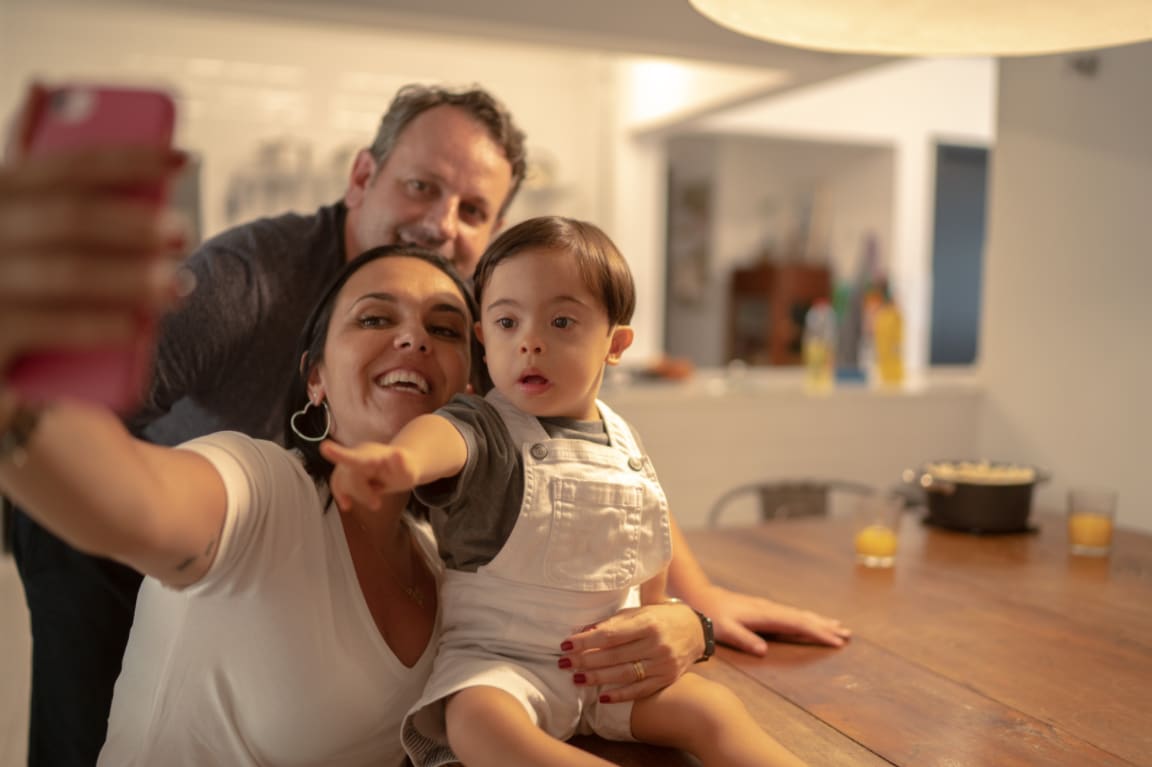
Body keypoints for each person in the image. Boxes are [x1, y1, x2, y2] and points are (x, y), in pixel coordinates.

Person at [0, 81, 847, 765]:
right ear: (362, 178)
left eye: (446, 327)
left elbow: (598, 468)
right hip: (140, 513)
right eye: (374, 317)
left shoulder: (453, 550)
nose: (443, 222)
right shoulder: (246, 324)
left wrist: (693, 615)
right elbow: (134, 488)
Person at [323, 217, 807, 767]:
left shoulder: (624, 442)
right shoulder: (486, 426)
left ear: (615, 344)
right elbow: (441, 439)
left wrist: (656, 616)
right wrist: (401, 461)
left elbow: (648, 542)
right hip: (503, 667)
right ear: (484, 338)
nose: (529, 342)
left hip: (610, 669)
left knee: (714, 710)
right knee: (476, 722)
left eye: (560, 322)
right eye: (507, 322)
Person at [0, 245, 479, 765]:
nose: (415, 339)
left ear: (469, 396)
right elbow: (132, 500)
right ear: (315, 379)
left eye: (445, 329)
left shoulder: (442, 568)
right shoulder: (262, 488)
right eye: (375, 318)